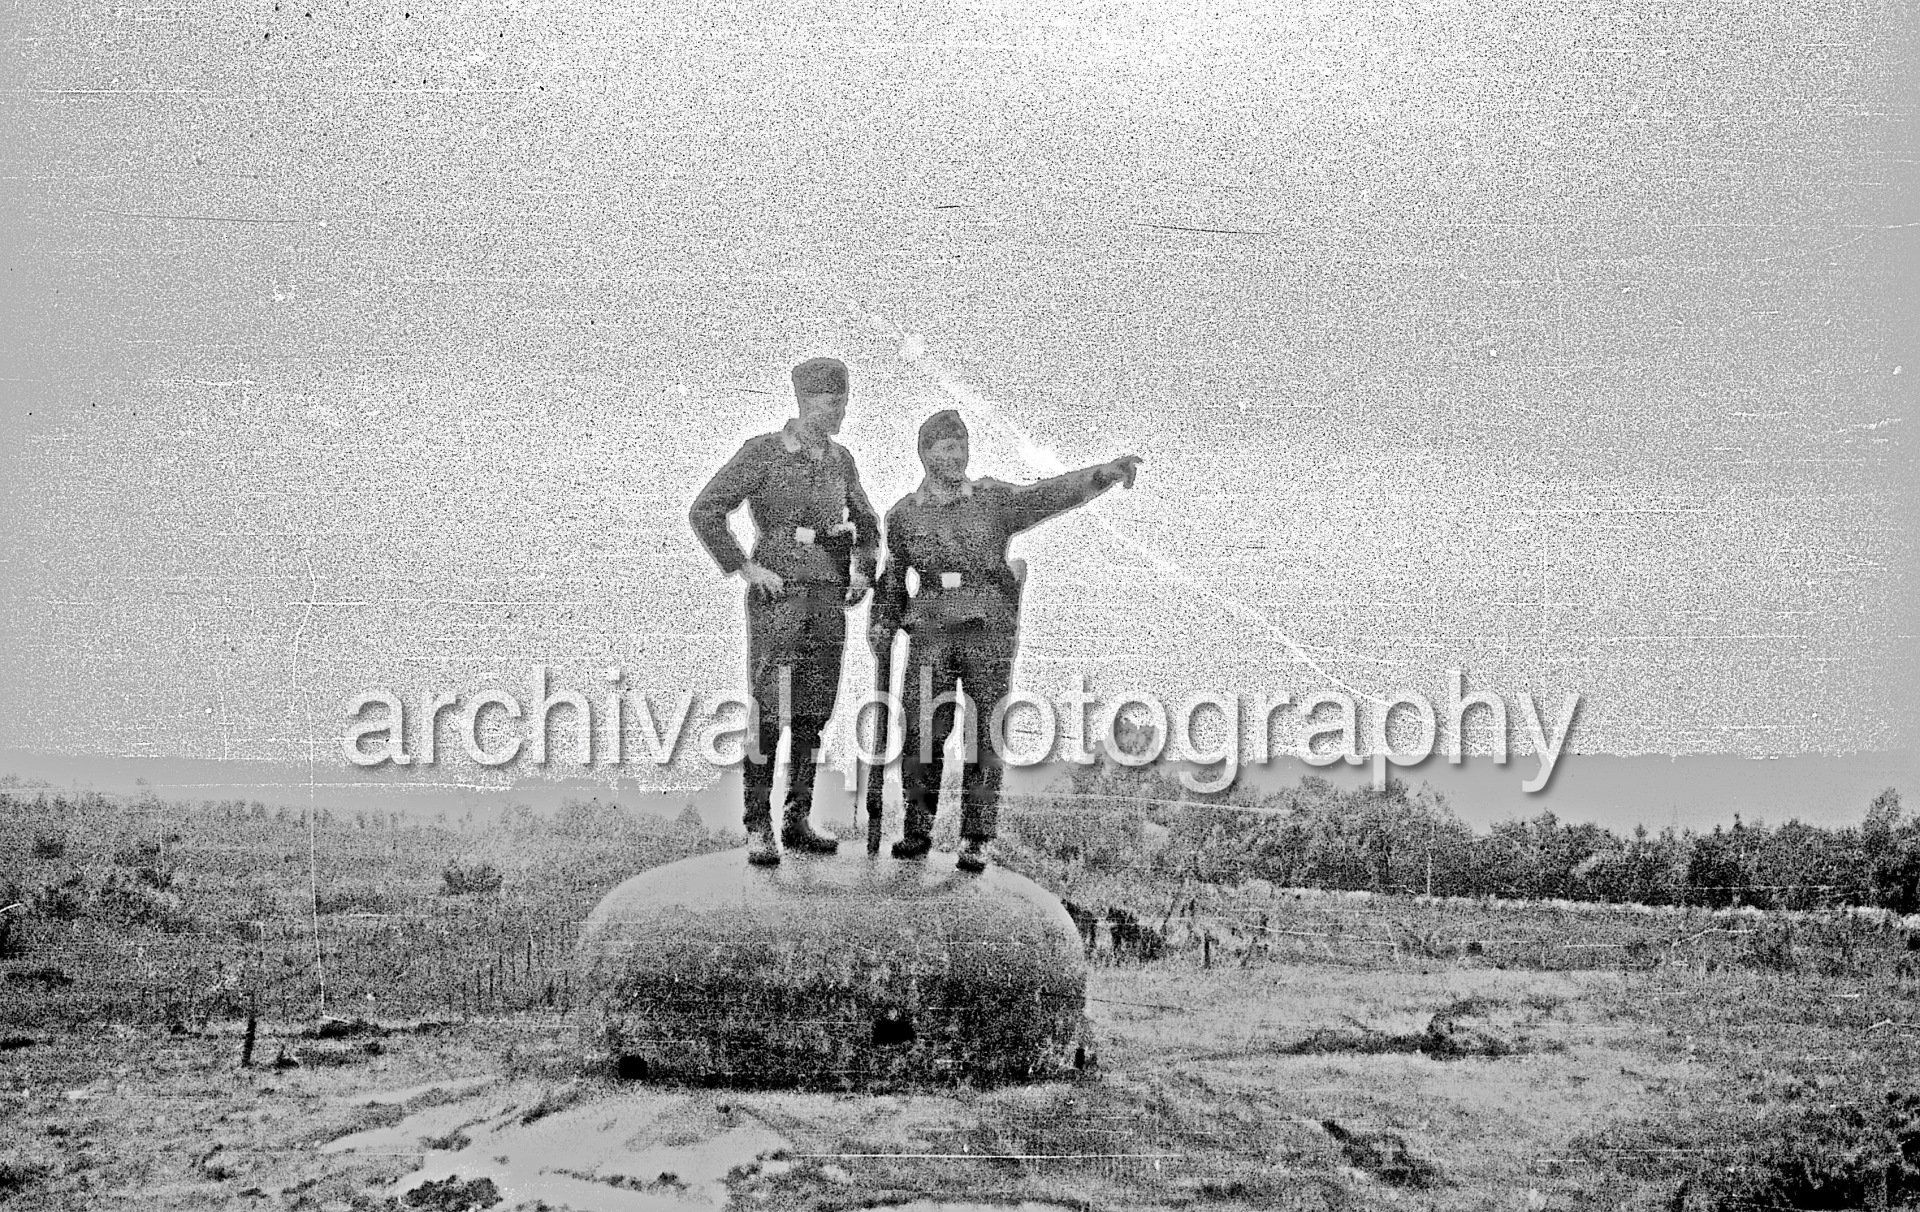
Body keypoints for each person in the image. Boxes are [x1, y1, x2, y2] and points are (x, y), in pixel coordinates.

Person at [869, 409, 1142, 873]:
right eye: (945, 448)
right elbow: (893, 581)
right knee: (921, 731)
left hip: (987, 628)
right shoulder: (903, 516)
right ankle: (917, 828)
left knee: (984, 734)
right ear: (924, 453)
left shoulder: (993, 499)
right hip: (931, 630)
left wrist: (1101, 475)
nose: (955, 456)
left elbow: (1045, 496)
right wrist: (882, 622)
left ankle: (976, 836)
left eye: (961, 446)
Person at [689, 357, 880, 866]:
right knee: (770, 713)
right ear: (802, 400)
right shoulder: (765, 452)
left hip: (827, 597)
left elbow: (868, 522)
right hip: (779, 596)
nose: (836, 409)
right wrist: (747, 569)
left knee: (814, 714)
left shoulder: (841, 460)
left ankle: (796, 821)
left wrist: (863, 568)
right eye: (826, 399)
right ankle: (758, 825)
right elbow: (705, 510)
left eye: (841, 399)